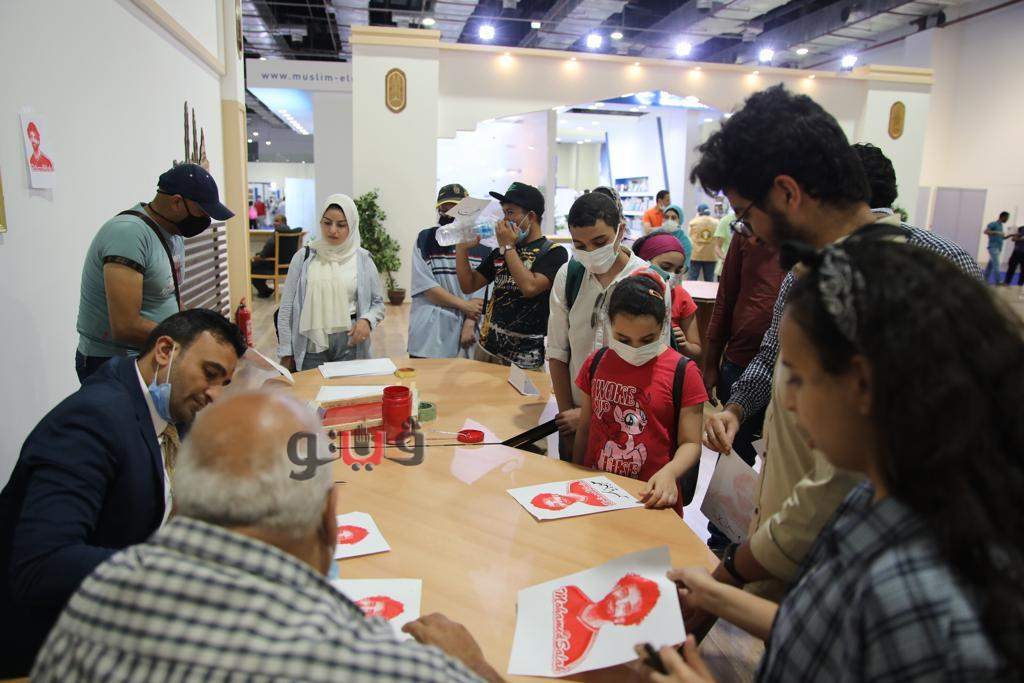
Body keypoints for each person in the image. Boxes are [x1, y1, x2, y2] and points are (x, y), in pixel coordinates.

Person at [644, 242, 1022, 682]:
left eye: (798, 378)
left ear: (861, 383)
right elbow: (830, 634)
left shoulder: (919, 599)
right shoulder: (879, 495)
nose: (787, 403)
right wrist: (717, 595)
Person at [693, 85, 981, 608]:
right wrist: (739, 408)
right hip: (801, 552)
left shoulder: (874, 291)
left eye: (746, 214)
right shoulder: (811, 275)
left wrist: (734, 571)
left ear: (787, 193)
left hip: (845, 573)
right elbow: (771, 363)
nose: (749, 234)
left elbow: (841, 481)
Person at [31, 392, 504, 683]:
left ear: (181, 499)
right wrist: (472, 667)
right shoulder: (373, 665)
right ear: (329, 519)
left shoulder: (98, 593)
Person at [0, 309, 246, 677]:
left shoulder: (173, 410)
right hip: (49, 645)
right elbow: (42, 565)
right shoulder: (91, 421)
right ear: (165, 351)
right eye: (209, 374)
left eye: (224, 383)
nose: (215, 394)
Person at [75, 163, 234, 382]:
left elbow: (168, 295)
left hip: (151, 353)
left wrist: (204, 328)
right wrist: (191, 342)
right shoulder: (128, 234)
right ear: (177, 202)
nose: (205, 220)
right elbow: (125, 326)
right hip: (114, 362)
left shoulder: (173, 234)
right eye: (202, 211)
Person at [573, 272, 706, 516]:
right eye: (623, 339)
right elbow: (585, 427)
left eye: (647, 340)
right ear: (609, 324)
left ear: (663, 326)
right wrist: (574, 473)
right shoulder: (597, 362)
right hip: (596, 491)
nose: (634, 349)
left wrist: (670, 472)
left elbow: (691, 443)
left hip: (651, 497)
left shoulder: (684, 372)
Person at [701, 222, 785, 553]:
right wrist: (710, 362)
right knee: (733, 455)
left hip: (792, 374)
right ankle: (719, 545)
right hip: (742, 362)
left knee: (781, 466)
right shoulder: (746, 232)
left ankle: (762, 549)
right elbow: (725, 298)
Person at [548, 190, 652, 460]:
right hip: (572, 415)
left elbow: (651, 365)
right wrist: (567, 418)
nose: (591, 253)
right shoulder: (569, 276)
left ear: (620, 231)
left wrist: (590, 415)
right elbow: (558, 353)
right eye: (580, 246)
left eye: (600, 242)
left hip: (628, 421)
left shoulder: (648, 281)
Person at [456, 182, 568, 369]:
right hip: (487, 349)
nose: (504, 220)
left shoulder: (553, 252)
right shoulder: (500, 251)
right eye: (504, 213)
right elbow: (469, 285)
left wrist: (508, 246)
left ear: (530, 216)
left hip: (525, 358)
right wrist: (461, 249)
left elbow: (530, 287)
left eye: (510, 213)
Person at [277, 193, 386, 372]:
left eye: (341, 225)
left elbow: (378, 303)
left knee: (348, 388)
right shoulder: (304, 257)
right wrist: (286, 351)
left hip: (350, 339)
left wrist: (367, 320)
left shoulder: (363, 259)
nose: (333, 230)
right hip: (311, 340)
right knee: (312, 388)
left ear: (352, 225)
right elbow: (286, 308)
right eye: (327, 223)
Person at [407, 184, 489, 358]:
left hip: (469, 333)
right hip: (431, 333)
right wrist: (464, 306)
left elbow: (484, 288)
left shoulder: (483, 244)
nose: (450, 213)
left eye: (456, 207)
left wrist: (470, 321)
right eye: (446, 207)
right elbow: (427, 288)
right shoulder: (426, 239)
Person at [631, 231, 702, 360]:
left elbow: (696, 351)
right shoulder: (628, 292)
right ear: (643, 262)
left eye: (678, 270)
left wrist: (683, 345)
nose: (672, 275)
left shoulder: (681, 297)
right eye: (665, 267)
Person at [251, 214, 301, 298]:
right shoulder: (293, 233)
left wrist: (260, 256)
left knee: (253, 265)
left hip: (273, 266)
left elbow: (268, 248)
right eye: (274, 221)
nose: (274, 223)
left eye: (277, 221)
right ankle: (266, 290)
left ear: (283, 222)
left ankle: (264, 291)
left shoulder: (278, 232)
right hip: (288, 266)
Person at [687, 204, 718, 282]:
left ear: (699, 211)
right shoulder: (716, 222)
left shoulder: (693, 222)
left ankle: (690, 290)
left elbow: (689, 237)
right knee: (709, 279)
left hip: (696, 255)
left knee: (692, 278)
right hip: (711, 255)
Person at [661, 204, 693, 270]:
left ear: (680, 220)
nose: (669, 220)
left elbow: (684, 266)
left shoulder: (685, 242)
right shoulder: (654, 234)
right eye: (666, 217)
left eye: (673, 218)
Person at [984, 211, 1010, 283]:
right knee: (996, 265)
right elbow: (986, 231)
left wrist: (1010, 235)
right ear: (1002, 217)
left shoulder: (1001, 226)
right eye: (1007, 218)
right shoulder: (993, 224)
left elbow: (1002, 237)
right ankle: (998, 281)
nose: (1007, 220)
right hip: (993, 247)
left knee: (990, 266)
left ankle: (984, 279)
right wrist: (997, 232)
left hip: (998, 248)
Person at [712, 210, 735, 279]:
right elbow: (717, 246)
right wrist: (725, 258)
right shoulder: (726, 220)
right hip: (727, 268)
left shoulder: (754, 218)